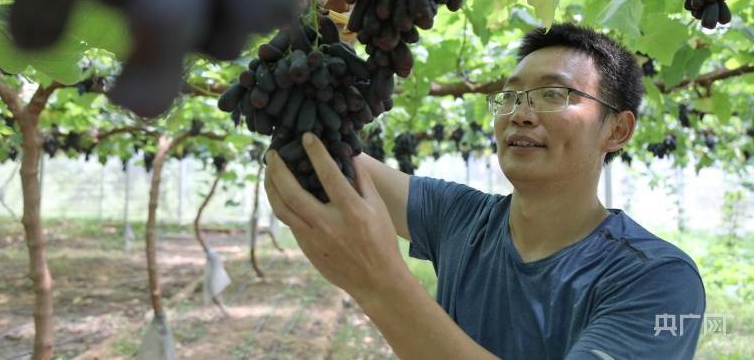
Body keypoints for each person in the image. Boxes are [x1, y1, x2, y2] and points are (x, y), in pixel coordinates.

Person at [264, 23, 705, 359]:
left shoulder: (659, 280)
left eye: (553, 94)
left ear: (618, 129)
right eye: (509, 96)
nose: (520, 113)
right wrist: (312, 26)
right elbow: (320, 151)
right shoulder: (461, 217)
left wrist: (379, 284)